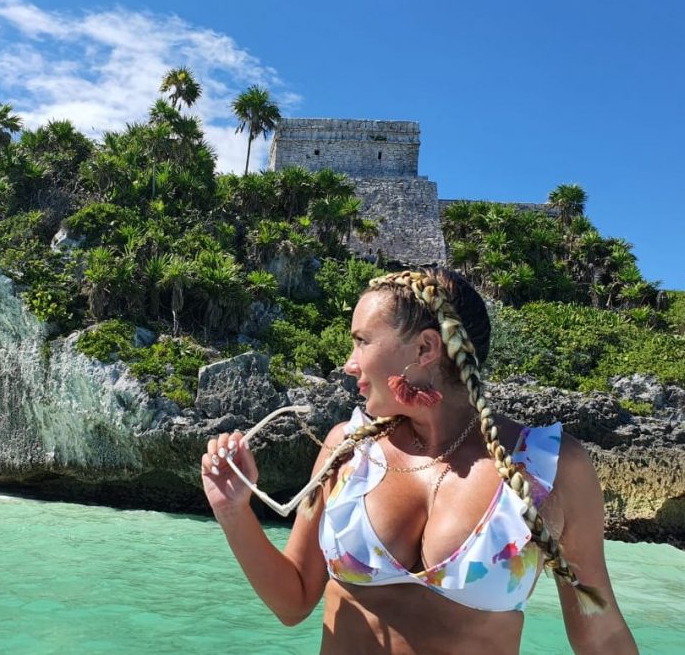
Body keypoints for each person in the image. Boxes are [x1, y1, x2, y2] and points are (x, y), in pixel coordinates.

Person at [201, 268, 637, 654]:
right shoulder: (348, 451)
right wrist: (232, 510)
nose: (349, 364)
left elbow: (601, 638)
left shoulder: (549, 468)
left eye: (361, 342)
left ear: (425, 348)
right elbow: (293, 601)